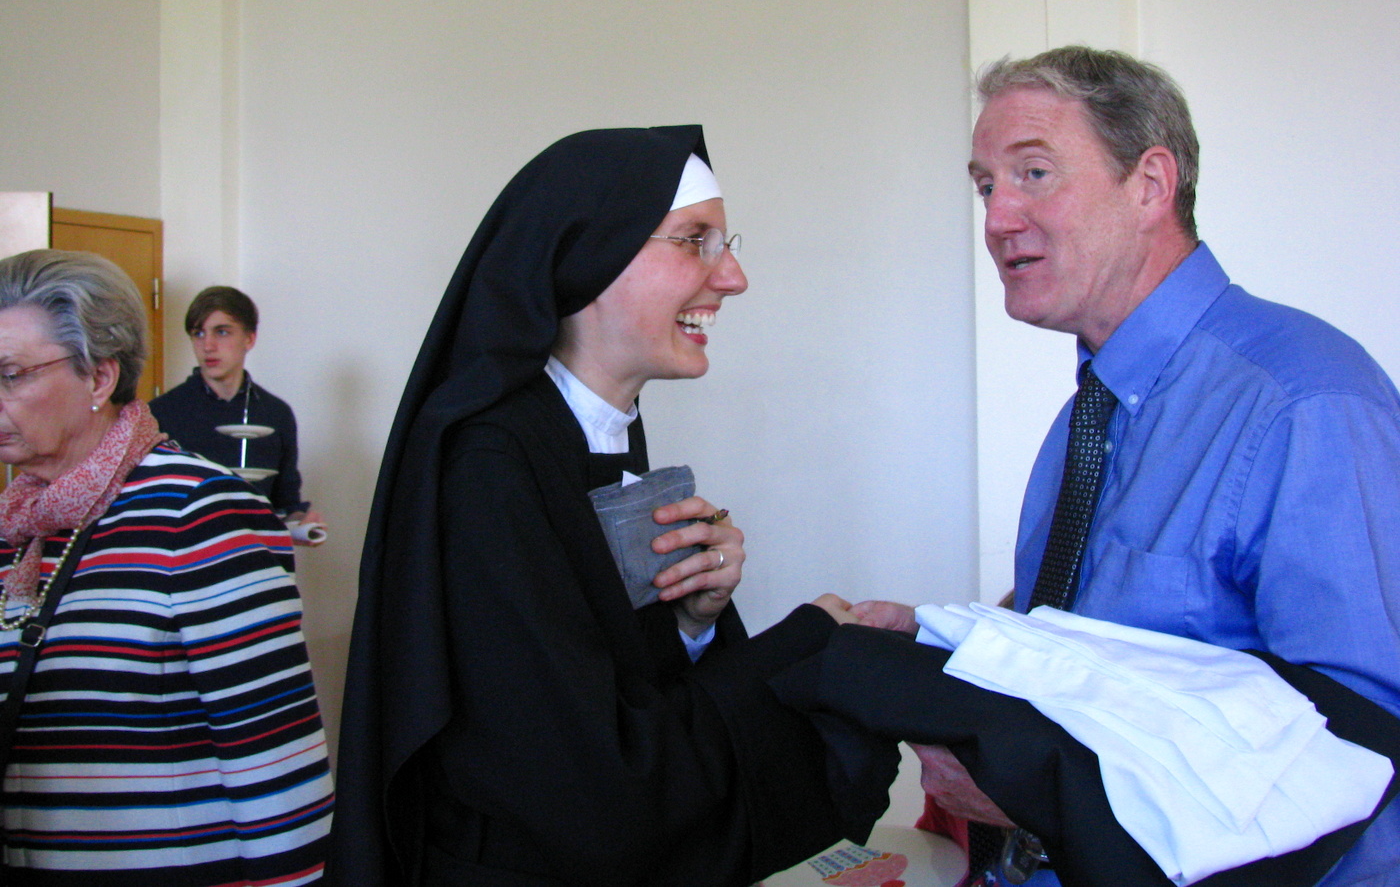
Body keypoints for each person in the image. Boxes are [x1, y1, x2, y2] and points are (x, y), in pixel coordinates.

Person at [857, 47, 1400, 886]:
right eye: (985, 186)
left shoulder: (1306, 403)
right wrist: (946, 645)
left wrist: (1041, 788)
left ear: (1150, 184)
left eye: (1034, 173)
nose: (998, 219)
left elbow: (1358, 753)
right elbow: (1104, 650)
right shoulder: (1088, 414)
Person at [330, 126, 894, 887]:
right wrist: (806, 645)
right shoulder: (489, 464)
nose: (733, 278)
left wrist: (691, 622)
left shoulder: (590, 434)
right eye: (696, 241)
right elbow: (585, 783)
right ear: (588, 255)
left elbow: (604, 685)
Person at [0, 249, 333, 882]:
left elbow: (275, 770)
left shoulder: (202, 513)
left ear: (100, 378)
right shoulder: (17, 523)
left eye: (11, 373)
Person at [151, 286, 322, 529]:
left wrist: (301, 523)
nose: (208, 345)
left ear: (249, 338)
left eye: (221, 332)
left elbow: (285, 503)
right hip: (189, 559)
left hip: (257, 557)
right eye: (198, 334)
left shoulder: (276, 414)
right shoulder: (160, 414)